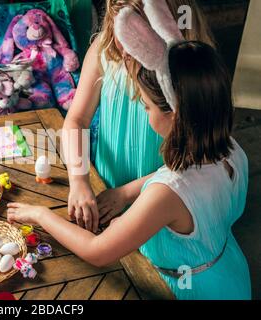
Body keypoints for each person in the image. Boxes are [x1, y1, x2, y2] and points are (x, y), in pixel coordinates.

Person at [7, 38, 251, 299]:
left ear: (174, 115)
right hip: (228, 273)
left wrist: (42, 215)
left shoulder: (167, 193)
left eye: (146, 106)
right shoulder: (230, 149)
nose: (145, 112)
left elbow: (97, 251)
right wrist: (127, 197)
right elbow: (190, 192)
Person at [61, 0, 214, 233]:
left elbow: (199, 158)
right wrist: (79, 180)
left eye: (132, 29)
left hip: (165, 201)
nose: (122, 46)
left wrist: (126, 194)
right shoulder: (104, 49)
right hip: (106, 189)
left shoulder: (191, 68)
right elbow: (77, 120)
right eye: (117, 27)